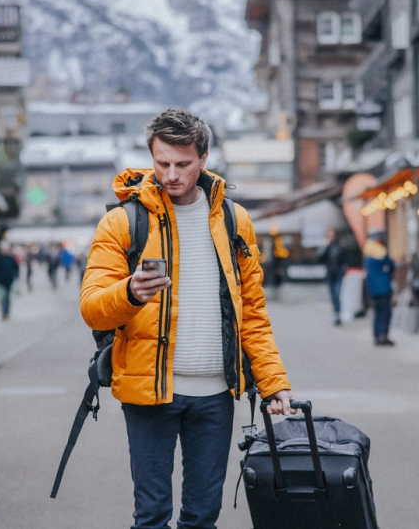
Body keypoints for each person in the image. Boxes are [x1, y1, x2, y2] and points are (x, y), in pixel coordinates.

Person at [80, 108, 295, 529]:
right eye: (162, 163)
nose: (171, 174)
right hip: (148, 392)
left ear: (203, 158)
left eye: (183, 164)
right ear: (151, 157)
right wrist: (129, 293)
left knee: (202, 517)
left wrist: (274, 383)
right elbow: (91, 305)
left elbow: (251, 314)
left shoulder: (236, 221)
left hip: (215, 395)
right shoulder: (123, 221)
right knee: (152, 516)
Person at [363, 229, 395, 346]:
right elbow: (391, 265)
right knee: (385, 312)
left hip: (372, 288)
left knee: (377, 312)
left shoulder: (367, 251)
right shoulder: (381, 251)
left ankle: (377, 335)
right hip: (384, 287)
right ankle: (383, 335)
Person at [318, 228, 347, 325]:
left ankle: (338, 313)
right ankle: (336, 313)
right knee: (333, 295)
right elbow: (320, 258)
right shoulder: (326, 246)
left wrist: (344, 268)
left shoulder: (339, 245)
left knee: (337, 293)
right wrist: (326, 246)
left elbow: (344, 258)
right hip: (330, 274)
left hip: (338, 273)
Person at [0, 241, 20, 320]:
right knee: (3, 297)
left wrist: (15, 276)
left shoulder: (11, 258)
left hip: (9, 280)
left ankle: (7, 312)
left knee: (7, 297)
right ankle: (4, 312)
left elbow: (16, 268)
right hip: (1, 281)